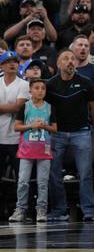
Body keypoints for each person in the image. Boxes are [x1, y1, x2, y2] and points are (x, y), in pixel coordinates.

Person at [46, 49, 94, 221]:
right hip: (57, 134)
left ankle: (89, 211)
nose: (70, 61)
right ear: (59, 64)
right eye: (65, 58)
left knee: (85, 173)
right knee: (54, 173)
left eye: (72, 59)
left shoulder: (86, 82)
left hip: (81, 132)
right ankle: (59, 209)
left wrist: (89, 125)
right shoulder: (51, 84)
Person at [9, 78, 56, 223]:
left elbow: (54, 128)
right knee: (23, 181)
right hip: (27, 150)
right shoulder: (25, 107)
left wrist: (44, 126)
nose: (40, 90)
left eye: (43, 88)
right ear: (30, 91)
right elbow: (16, 127)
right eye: (36, 88)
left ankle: (41, 210)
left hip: (44, 150)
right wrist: (31, 126)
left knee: (43, 182)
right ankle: (20, 209)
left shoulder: (49, 107)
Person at [0, 51, 30, 181]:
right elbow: (14, 107)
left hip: (16, 138)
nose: (12, 64)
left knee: (20, 175)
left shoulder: (24, 84)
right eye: (7, 62)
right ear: (1, 66)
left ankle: (21, 201)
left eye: (15, 61)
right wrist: (9, 108)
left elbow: (18, 108)